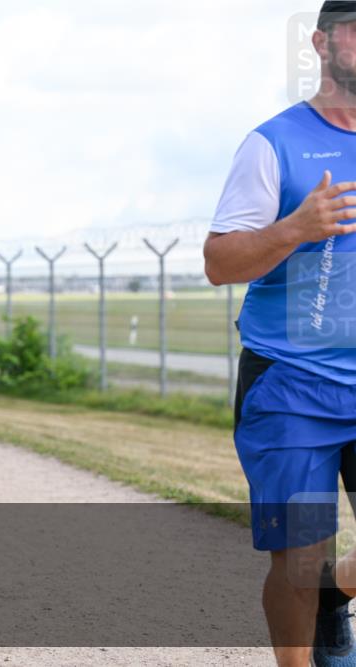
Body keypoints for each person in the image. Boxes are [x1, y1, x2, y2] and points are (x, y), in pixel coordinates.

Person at [204, 4, 356, 666]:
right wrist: (296, 227)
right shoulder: (274, 143)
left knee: (317, 574)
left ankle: (333, 590)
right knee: (298, 556)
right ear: (321, 43)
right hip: (291, 383)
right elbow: (219, 262)